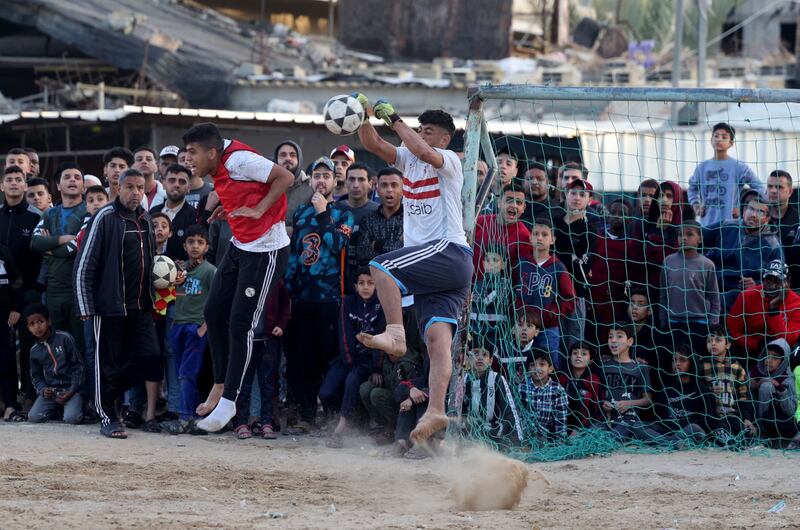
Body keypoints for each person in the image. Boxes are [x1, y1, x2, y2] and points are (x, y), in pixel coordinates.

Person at [355, 96, 474, 445]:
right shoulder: (407, 157)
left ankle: (395, 333)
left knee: (380, 265)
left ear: (445, 139)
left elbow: (422, 152)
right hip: (434, 273)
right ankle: (436, 409)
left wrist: (394, 119)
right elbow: (373, 144)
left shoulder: (449, 161)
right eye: (419, 128)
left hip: (448, 252)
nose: (421, 134)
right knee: (438, 342)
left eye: (429, 130)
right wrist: (363, 118)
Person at [180, 123, 293, 432]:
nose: (187, 159)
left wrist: (259, 208)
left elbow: (286, 177)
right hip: (239, 244)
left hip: (266, 250)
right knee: (213, 312)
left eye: (192, 153)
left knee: (241, 323)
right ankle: (220, 384)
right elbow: (237, 187)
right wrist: (227, 209)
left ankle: (230, 401)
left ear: (212, 152)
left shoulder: (240, 160)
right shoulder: (218, 162)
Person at [74, 168, 162, 439]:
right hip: (108, 306)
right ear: (118, 189)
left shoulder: (147, 220)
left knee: (151, 357)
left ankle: (103, 394)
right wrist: (86, 306)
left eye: (140, 188)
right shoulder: (104, 218)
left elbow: (150, 263)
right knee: (105, 363)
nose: (136, 192)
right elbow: (84, 265)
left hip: (141, 307)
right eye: (130, 187)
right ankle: (107, 416)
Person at [284, 156, 354, 433]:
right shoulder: (300, 213)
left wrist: (324, 213)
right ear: (310, 179)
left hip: (331, 299)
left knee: (330, 358)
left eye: (327, 175)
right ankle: (305, 416)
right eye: (317, 175)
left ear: (336, 181)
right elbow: (294, 257)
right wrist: (288, 290)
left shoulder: (343, 213)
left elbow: (337, 244)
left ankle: (333, 416)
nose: (321, 180)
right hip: (302, 298)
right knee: (303, 359)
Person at [319, 268, 386, 448]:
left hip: (366, 360)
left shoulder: (382, 306)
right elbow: (344, 334)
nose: (366, 287)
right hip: (346, 356)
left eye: (370, 283)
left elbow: (381, 339)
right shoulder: (348, 302)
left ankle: (340, 429)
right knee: (326, 392)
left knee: (352, 379)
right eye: (362, 283)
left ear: (376, 285)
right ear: (355, 286)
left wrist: (377, 368)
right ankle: (336, 416)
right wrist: (348, 360)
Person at [163, 225, 216, 435]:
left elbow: (218, 303)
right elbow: (164, 294)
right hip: (177, 325)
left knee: (188, 373)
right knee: (181, 373)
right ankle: (192, 418)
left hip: (195, 327)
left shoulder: (210, 271)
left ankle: (185, 417)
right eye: (191, 242)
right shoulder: (178, 270)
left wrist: (204, 328)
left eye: (200, 242)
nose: (195, 246)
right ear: (184, 245)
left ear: (206, 247)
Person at [0, 166, 43, 409]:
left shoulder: (36, 216)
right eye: (10, 180)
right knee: (3, 351)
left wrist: (38, 286)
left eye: (19, 179)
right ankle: (6, 399)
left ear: (25, 186)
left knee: (29, 348)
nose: (14, 183)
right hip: (1, 296)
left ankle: (29, 396)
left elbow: (45, 255)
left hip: (29, 293)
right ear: (2, 185)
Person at [31, 162, 87, 350]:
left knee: (80, 347)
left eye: (77, 177)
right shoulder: (50, 213)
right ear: (58, 185)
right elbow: (35, 242)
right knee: (58, 347)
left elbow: (76, 247)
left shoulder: (89, 212)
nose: (72, 180)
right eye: (67, 177)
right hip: (53, 291)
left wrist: (50, 246)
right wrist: (62, 239)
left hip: (78, 291)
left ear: (83, 186)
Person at [514, 217, 575, 367]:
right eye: (536, 234)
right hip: (522, 328)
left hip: (548, 330)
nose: (539, 238)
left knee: (547, 367)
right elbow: (510, 292)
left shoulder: (558, 267)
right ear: (530, 237)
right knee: (519, 367)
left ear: (552, 239)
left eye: (544, 234)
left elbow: (569, 300)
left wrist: (551, 314)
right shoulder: (520, 264)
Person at [233, 278, 290, 440]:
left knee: (268, 383)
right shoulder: (244, 279)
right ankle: (241, 423)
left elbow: (285, 305)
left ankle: (267, 422)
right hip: (247, 340)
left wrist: (281, 325)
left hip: (268, 340)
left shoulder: (276, 281)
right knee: (244, 383)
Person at [594, 321, 665, 445]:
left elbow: (648, 400)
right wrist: (602, 403)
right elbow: (597, 393)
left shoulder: (640, 368)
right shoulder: (602, 366)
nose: (613, 340)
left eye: (619, 336)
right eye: (610, 336)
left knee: (610, 441)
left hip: (628, 421)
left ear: (630, 341)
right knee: (589, 437)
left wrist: (629, 403)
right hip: (605, 419)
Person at [661, 221, 720, 357]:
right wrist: (664, 320)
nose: (684, 238)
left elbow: (714, 298)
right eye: (681, 235)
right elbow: (663, 295)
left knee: (696, 362)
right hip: (674, 323)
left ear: (700, 239)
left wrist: (712, 323)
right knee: (675, 361)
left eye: (689, 234)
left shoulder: (707, 265)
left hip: (699, 324)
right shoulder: (668, 262)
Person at [688, 122, 764, 227]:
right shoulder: (702, 167)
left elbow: (759, 187)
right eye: (716, 136)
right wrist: (696, 205)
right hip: (706, 224)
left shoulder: (739, 167)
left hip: (730, 224)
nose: (719, 139)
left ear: (731, 143)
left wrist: (744, 207)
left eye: (724, 137)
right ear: (711, 140)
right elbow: (692, 189)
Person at [727, 260, 800, 364]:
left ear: (788, 282)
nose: (771, 285)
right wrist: (755, 344)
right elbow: (732, 330)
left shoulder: (797, 303)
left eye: (777, 281)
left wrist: (774, 309)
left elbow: (789, 340)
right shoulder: (747, 296)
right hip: (749, 352)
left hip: (781, 356)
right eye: (768, 280)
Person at [552, 179, 596, 349]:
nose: (577, 198)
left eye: (582, 194)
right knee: (553, 339)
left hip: (576, 294)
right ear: (566, 195)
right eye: (573, 193)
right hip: (551, 292)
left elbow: (584, 265)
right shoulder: (555, 222)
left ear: (589, 200)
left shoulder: (589, 229)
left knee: (574, 341)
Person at [25, 304, 84, 425]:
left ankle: (83, 406)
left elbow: (78, 367)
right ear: (28, 328)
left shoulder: (65, 338)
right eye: (32, 324)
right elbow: (36, 376)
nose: (37, 327)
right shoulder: (34, 350)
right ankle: (57, 409)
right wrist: (43, 389)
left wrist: (72, 390)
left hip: (71, 389)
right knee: (34, 417)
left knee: (71, 419)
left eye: (40, 321)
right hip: (52, 392)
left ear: (49, 321)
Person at [700, 324, 756, 444]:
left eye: (718, 340)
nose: (713, 344)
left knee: (747, 432)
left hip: (732, 415)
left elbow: (744, 396)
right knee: (721, 434)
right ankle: (730, 442)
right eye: (709, 340)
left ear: (728, 345)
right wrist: (708, 389)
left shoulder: (737, 367)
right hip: (712, 417)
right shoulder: (701, 365)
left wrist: (746, 418)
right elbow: (696, 388)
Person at [653, 344, 716, 444]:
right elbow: (659, 416)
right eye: (674, 360)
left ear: (691, 363)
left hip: (690, 430)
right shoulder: (666, 388)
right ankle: (671, 442)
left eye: (682, 360)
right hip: (670, 431)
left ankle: (667, 443)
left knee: (694, 428)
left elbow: (708, 420)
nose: (677, 364)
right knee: (638, 426)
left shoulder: (700, 389)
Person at [461, 345, 523, 447]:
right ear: (468, 358)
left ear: (490, 361)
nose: (480, 358)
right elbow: (456, 411)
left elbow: (510, 413)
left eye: (484, 355)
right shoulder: (462, 380)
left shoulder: (497, 379)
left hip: (492, 433)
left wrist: (517, 441)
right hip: (470, 431)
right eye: (476, 353)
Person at [472, 184, 531, 280]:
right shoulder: (479, 222)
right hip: (468, 286)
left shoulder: (524, 237)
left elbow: (522, 274)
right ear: (499, 202)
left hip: (499, 291)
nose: (514, 205)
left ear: (524, 208)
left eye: (519, 202)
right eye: (509, 200)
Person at [337, 163, 378, 288]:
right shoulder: (335, 210)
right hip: (338, 280)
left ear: (370, 184)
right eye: (351, 179)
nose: (356, 185)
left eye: (361, 180)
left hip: (369, 281)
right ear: (345, 182)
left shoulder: (378, 212)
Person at [749, 339, 798, 446]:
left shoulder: (787, 378)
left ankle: (764, 435)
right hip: (752, 419)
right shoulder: (754, 372)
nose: (768, 360)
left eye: (775, 357)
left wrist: (779, 388)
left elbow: (790, 411)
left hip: (777, 422)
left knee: (766, 386)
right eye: (767, 355)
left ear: (783, 360)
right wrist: (750, 385)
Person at [355, 167, 404, 268]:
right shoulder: (368, 220)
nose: (389, 190)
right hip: (373, 281)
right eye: (384, 185)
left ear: (403, 189)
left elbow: (409, 252)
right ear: (377, 189)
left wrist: (378, 245)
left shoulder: (411, 220)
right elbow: (362, 255)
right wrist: (396, 245)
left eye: (394, 185)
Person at [518, 348, 568, 442]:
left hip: (546, 439)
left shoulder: (558, 390)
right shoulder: (521, 388)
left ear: (550, 369)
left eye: (542, 364)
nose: (537, 368)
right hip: (524, 437)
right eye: (533, 365)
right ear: (528, 369)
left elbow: (560, 422)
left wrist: (560, 444)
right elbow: (517, 417)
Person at [150, 164, 198, 262]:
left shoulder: (194, 216)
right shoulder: (153, 212)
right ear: (163, 183)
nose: (176, 185)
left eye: (182, 181)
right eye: (172, 180)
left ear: (189, 187)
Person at [471, 248, 513, 352]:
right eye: (487, 260)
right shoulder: (478, 284)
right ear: (483, 263)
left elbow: (486, 302)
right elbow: (473, 310)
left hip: (496, 338)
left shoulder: (505, 285)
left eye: (495, 260)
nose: (490, 264)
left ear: (503, 264)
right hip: (476, 336)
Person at [557, 341, 603, 435]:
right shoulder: (562, 379)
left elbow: (598, 411)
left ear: (590, 360)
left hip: (587, 426)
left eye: (583, 354)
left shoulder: (594, 381)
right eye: (575, 353)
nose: (578, 356)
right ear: (570, 358)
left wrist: (580, 429)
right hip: (562, 426)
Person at [0, 242, 24, 421]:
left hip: (4, 314)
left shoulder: (3, 250)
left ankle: (10, 405)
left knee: (6, 359)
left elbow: (17, 280)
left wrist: (16, 308)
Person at [274, 140, 311, 233]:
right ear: (276, 159)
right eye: (283, 155)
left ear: (299, 159)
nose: (288, 158)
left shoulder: (310, 188)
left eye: (292, 155)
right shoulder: (266, 186)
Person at [520, 161, 560, 230]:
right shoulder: (516, 209)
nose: (534, 182)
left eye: (540, 179)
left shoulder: (557, 210)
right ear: (523, 182)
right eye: (529, 178)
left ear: (548, 183)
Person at [133, 146, 167, 210]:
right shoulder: (124, 196)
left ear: (157, 166)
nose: (144, 161)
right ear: (132, 166)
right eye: (139, 159)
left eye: (148, 159)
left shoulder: (167, 195)